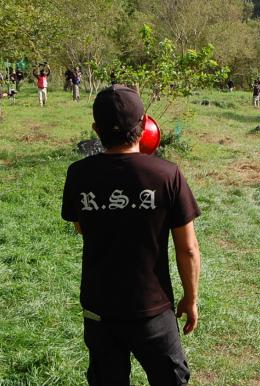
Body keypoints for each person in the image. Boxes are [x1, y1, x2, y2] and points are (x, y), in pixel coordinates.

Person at [62, 85, 201, 385]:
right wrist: (190, 298)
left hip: (99, 308)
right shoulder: (167, 174)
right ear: (145, 125)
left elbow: (81, 227)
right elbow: (188, 248)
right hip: (153, 310)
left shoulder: (78, 173)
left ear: (96, 129)